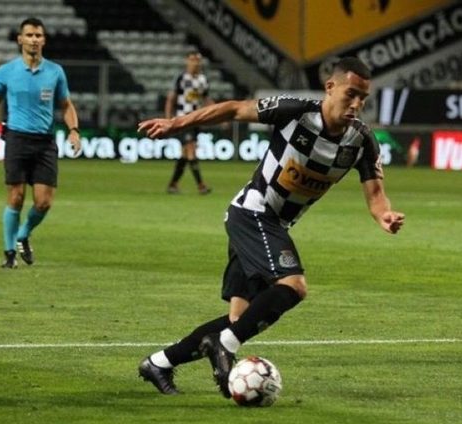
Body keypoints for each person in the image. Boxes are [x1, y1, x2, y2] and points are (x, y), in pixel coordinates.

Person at [137, 57, 405, 397]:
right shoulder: (295, 111)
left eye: (363, 98)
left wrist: (384, 215)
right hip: (253, 213)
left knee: (240, 320)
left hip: (270, 224)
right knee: (293, 286)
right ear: (330, 87)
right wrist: (179, 123)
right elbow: (234, 109)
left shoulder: (362, 141)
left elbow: (376, 195)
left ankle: (159, 362)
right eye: (350, 94)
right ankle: (224, 345)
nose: (356, 104)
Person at [0, 17, 81, 268]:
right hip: (16, 138)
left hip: (45, 141)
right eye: (30, 35)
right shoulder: (6, 72)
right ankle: (9, 253)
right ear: (20, 39)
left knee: (44, 202)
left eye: (38, 35)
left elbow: (65, 105)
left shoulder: (55, 72)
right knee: (15, 197)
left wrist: (74, 130)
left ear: (44, 40)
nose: (34, 39)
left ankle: (23, 234)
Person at [164, 50, 212, 194]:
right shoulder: (181, 78)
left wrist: (220, 113)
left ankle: (173, 184)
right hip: (183, 119)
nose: (195, 63)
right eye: (192, 59)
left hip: (196, 120)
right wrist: (168, 119)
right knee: (191, 149)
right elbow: (170, 99)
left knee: (185, 154)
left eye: (197, 60)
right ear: (187, 61)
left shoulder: (203, 80)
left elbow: (206, 99)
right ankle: (201, 185)